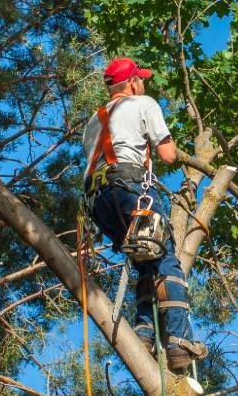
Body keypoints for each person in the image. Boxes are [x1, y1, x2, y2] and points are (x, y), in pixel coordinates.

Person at [82, 57, 207, 370]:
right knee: (168, 261)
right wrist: (185, 157)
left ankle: (144, 334)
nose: (145, 85)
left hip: (98, 201)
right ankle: (179, 340)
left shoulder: (93, 121)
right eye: (142, 80)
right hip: (131, 188)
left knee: (147, 263)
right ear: (132, 83)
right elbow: (166, 155)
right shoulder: (142, 103)